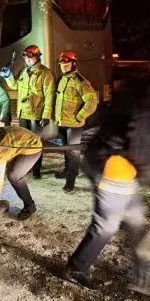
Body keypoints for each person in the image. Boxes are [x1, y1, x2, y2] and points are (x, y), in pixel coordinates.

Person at [64, 50, 150, 295]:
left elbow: (145, 140)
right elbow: (142, 146)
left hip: (123, 166)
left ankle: (141, 277)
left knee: (135, 219)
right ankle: (76, 269)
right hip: (110, 167)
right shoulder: (145, 102)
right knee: (107, 225)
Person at [0, 45, 55, 179]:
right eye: (25, 58)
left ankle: (36, 170)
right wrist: (8, 76)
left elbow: (49, 95)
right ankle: (26, 167)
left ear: (37, 57)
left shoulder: (45, 73)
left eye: (30, 58)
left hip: (36, 115)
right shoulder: (24, 71)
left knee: (36, 143)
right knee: (25, 142)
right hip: (24, 113)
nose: (27, 61)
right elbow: (15, 86)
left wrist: (46, 115)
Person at [54, 50, 98, 193]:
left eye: (66, 63)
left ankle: (70, 181)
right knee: (66, 149)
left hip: (74, 124)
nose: (63, 66)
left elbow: (92, 101)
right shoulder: (61, 79)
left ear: (73, 63)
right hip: (62, 122)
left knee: (73, 152)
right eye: (61, 64)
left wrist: (80, 116)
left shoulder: (80, 81)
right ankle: (67, 171)